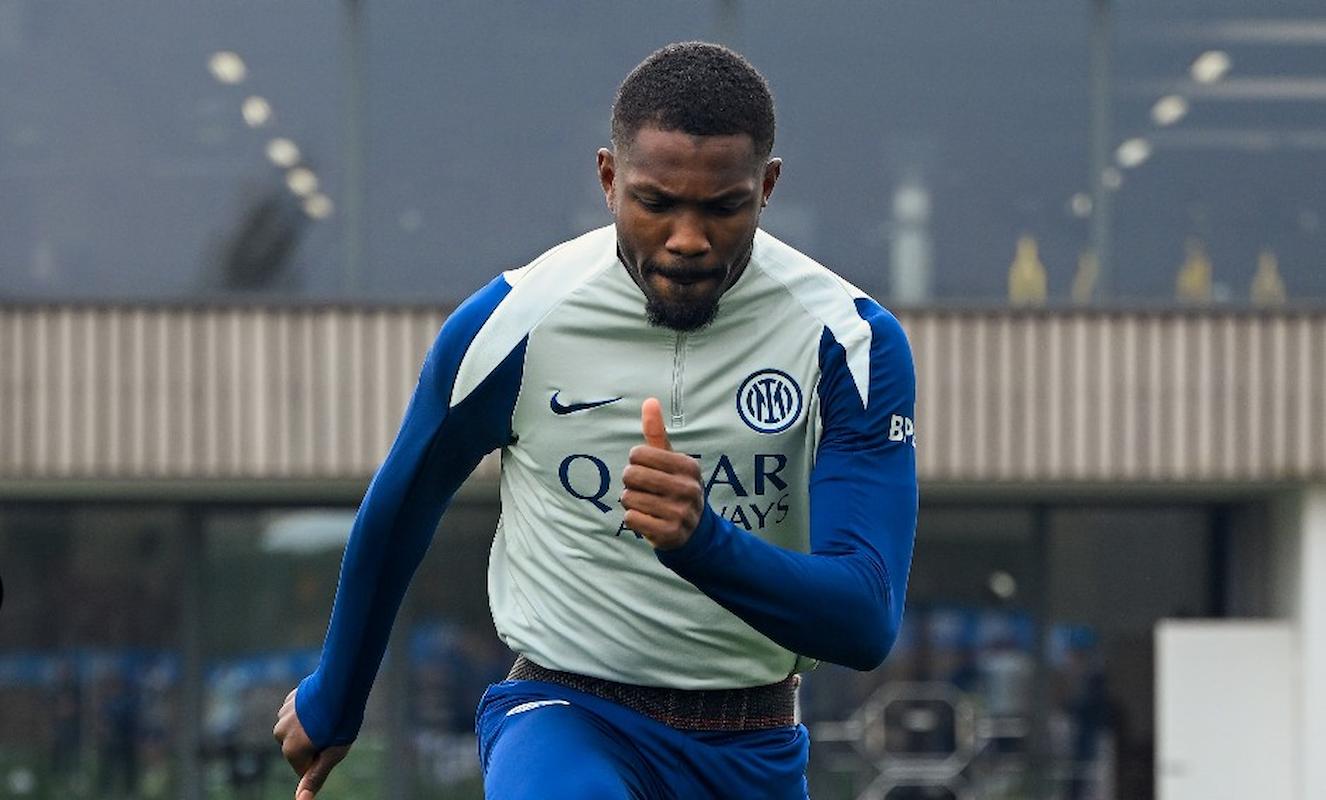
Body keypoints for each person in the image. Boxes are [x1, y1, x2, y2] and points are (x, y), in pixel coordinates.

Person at [274, 41, 918, 799]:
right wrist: (338, 693)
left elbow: (864, 619)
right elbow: (403, 508)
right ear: (609, 179)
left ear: (767, 187)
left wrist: (702, 543)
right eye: (656, 203)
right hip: (565, 714)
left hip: (755, 747)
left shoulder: (852, 344)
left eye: (723, 207)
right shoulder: (509, 324)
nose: (688, 238)